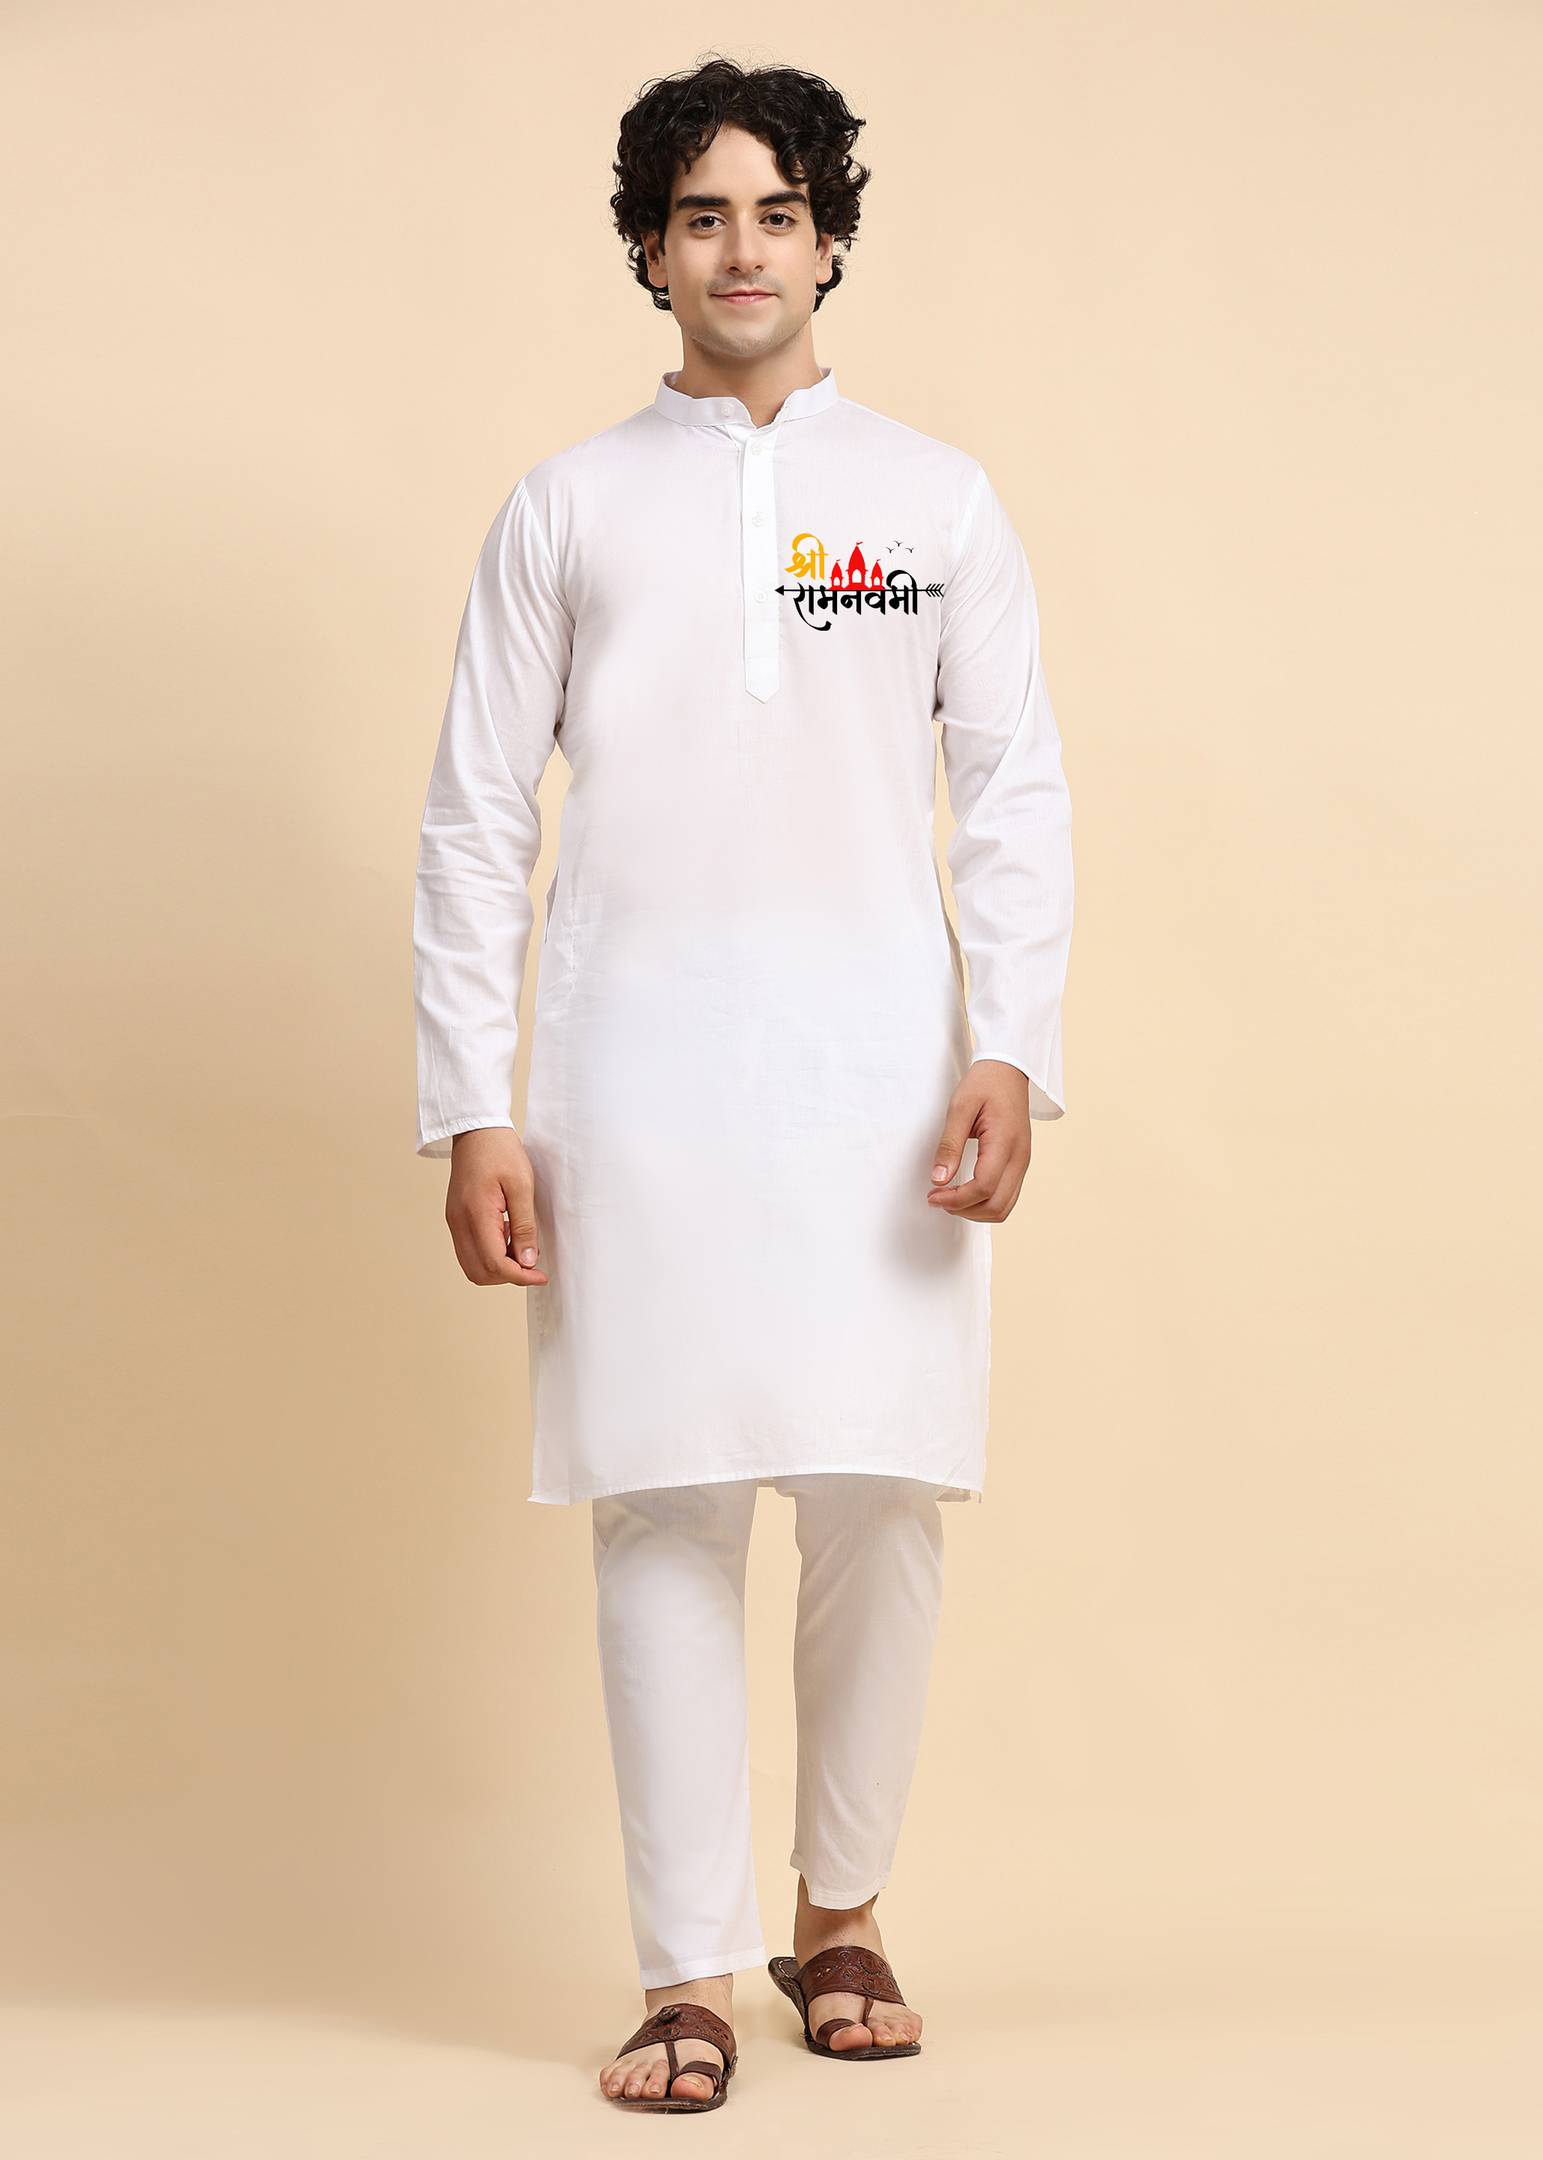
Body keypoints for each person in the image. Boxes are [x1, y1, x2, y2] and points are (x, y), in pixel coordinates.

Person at [412, 57, 1074, 2114]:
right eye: (702, 215)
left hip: (882, 1076)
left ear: (830, 240)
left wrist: (1013, 1045)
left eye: (777, 212)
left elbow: (1014, 795)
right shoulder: (566, 506)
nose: (742, 250)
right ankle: (684, 1973)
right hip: (636, 1076)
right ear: (650, 251)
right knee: (666, 1503)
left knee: (885, 1494)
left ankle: (841, 1913)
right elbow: (472, 822)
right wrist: (474, 1101)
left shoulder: (934, 503)